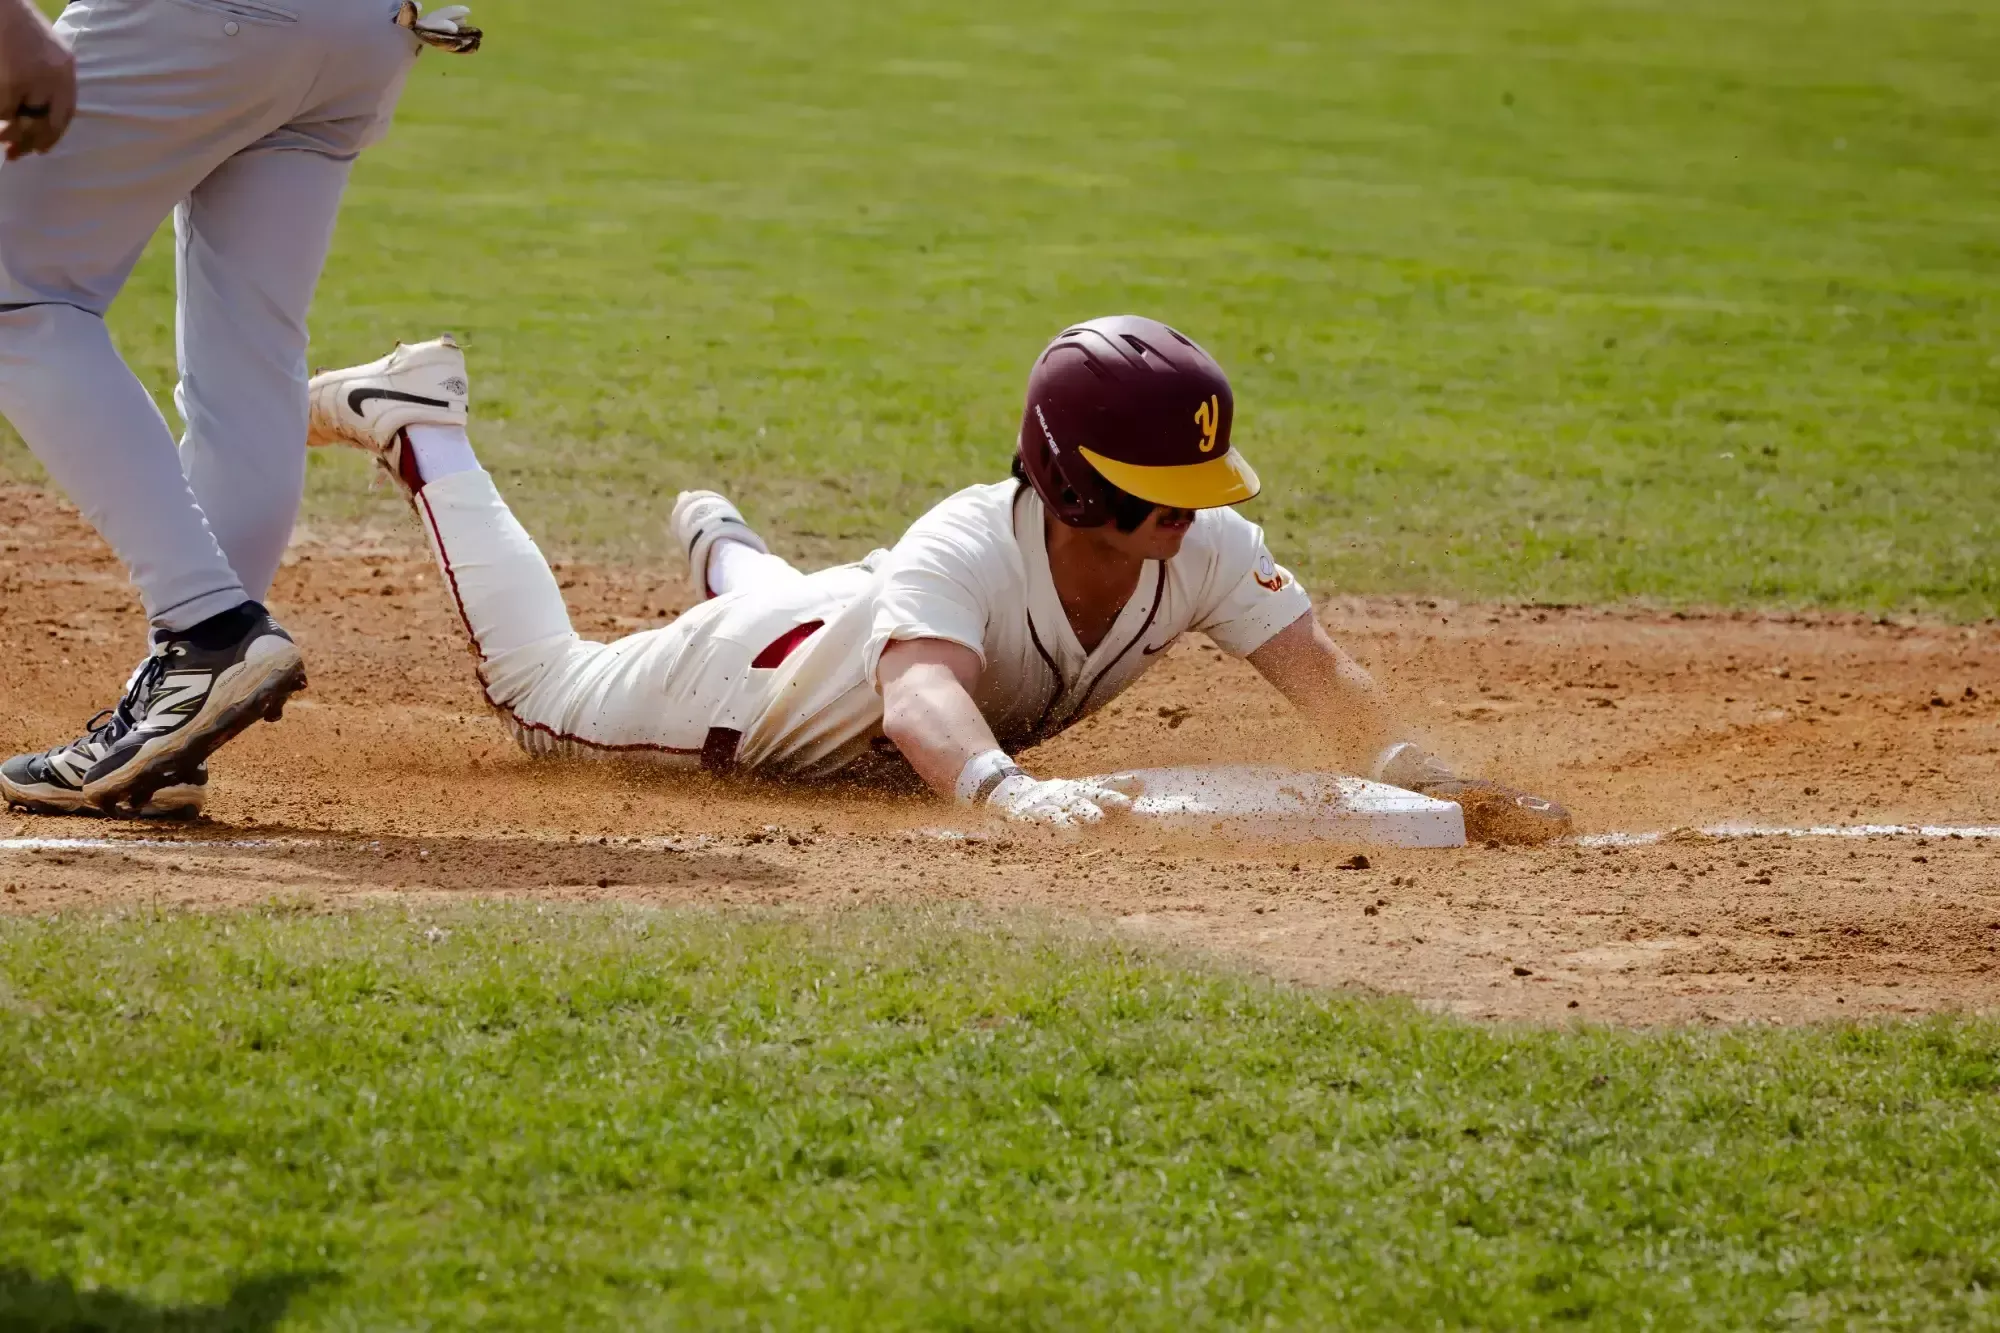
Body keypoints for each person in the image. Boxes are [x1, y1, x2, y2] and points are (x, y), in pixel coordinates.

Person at [297, 317, 1571, 839]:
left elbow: (1316, 672)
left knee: (846, 599)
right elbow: (914, 703)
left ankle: (726, 551)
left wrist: (1424, 773)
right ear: (1078, 484)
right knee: (538, 688)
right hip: (737, 692)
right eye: (1162, 488)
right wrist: (1003, 792)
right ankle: (425, 424)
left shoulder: (1201, 547)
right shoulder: (966, 541)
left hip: (834, 610)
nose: (1195, 512)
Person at [0, 0, 481, 818]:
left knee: (16, 292)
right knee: (249, 363)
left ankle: (209, 629)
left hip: (209, 19)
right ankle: (176, 711)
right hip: (369, 39)